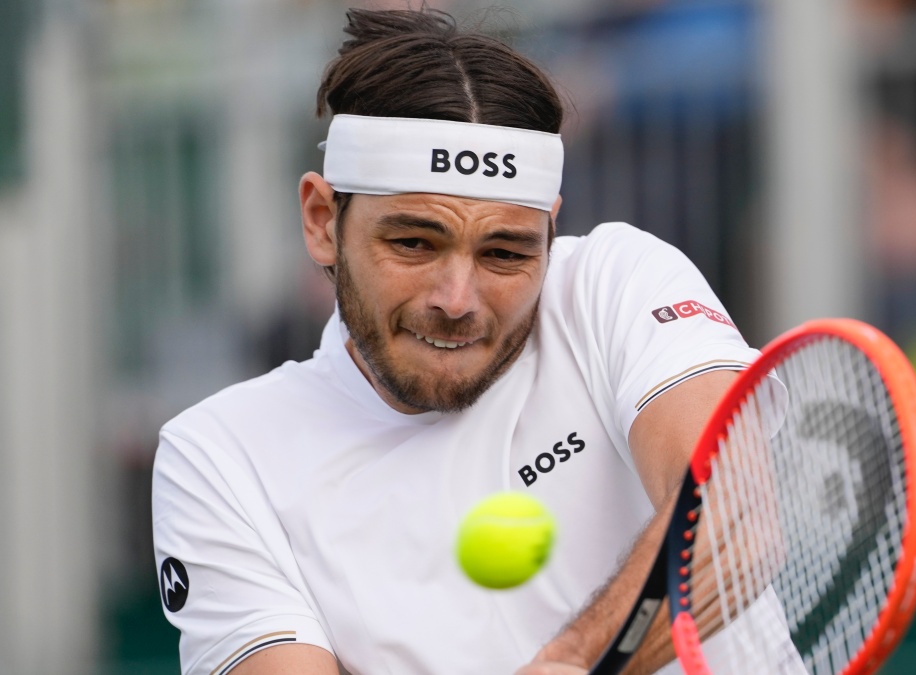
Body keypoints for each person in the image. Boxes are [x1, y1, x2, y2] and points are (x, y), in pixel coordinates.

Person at [151, 9, 799, 675]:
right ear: (322, 220)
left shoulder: (618, 279)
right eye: (413, 242)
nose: (457, 299)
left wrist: (576, 660)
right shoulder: (219, 456)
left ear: (550, 230)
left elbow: (734, 511)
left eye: (504, 253)